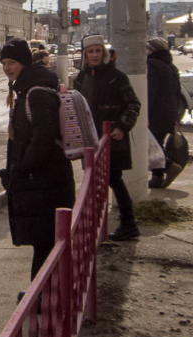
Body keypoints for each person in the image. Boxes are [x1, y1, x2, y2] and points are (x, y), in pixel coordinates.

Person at [0, 38, 75, 283]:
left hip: (45, 183)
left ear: (24, 63)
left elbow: (43, 137)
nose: (7, 68)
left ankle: (41, 298)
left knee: (44, 243)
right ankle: (45, 295)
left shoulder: (35, 93)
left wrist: (23, 167)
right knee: (45, 244)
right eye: (3, 63)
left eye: (12, 62)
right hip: (45, 181)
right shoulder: (28, 88)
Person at [74, 34, 142, 241]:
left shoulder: (117, 77)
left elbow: (133, 104)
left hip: (112, 138)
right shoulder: (81, 78)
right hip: (90, 139)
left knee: (114, 180)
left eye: (98, 51)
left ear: (104, 53)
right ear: (85, 54)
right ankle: (93, 225)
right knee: (92, 181)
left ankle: (128, 223)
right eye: (90, 51)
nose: (94, 55)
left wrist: (122, 126)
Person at [146, 37, 183, 189]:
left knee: (149, 146)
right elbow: (177, 92)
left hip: (156, 113)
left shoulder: (152, 65)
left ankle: (168, 166)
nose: (145, 52)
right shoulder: (171, 66)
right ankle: (157, 178)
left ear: (152, 50)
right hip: (168, 112)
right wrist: (175, 116)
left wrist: (144, 113)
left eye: (147, 49)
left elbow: (150, 91)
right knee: (157, 144)